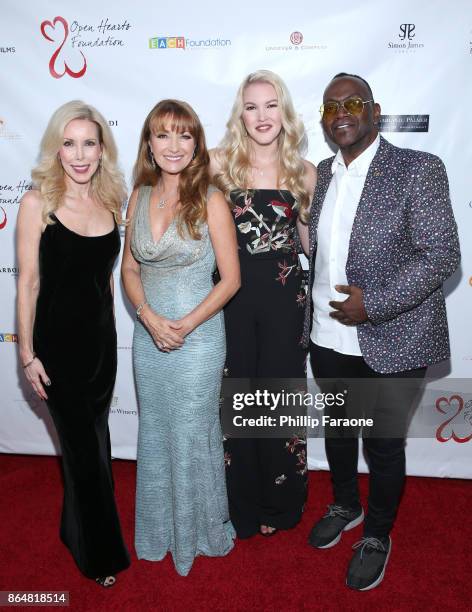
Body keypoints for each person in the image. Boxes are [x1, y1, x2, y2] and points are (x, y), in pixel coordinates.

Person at [300, 73, 460, 590]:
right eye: (330, 106)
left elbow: (442, 254)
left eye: (352, 103)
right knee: (342, 432)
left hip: (395, 336)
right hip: (327, 336)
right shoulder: (322, 173)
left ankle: (377, 534)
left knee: (384, 444)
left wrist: (377, 304)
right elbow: (321, 253)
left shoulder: (418, 169)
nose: (341, 113)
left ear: (374, 109)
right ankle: (346, 502)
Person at [121, 99, 240, 576]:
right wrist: (148, 317)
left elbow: (231, 279)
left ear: (197, 144)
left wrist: (185, 325)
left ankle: (200, 536)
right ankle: (159, 534)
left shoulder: (211, 197)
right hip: (149, 335)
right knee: (155, 431)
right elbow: (130, 268)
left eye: (184, 135)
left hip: (199, 336)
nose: (173, 145)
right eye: (163, 135)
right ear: (149, 143)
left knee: (192, 433)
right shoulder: (139, 194)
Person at [17, 100, 131, 587]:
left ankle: (73, 531)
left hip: (100, 350)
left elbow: (103, 281)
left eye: (89, 142)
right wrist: (26, 355)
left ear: (102, 148)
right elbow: (27, 283)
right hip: (57, 352)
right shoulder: (36, 202)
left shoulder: (110, 202)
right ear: (56, 149)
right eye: (69, 143)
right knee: (86, 456)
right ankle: (102, 559)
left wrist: (112, 341)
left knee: (95, 447)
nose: (80, 154)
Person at [211, 70, 317, 538]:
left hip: (285, 303)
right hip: (231, 299)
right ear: (241, 114)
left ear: (284, 111)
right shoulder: (217, 165)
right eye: (251, 107)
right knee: (238, 402)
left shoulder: (304, 171)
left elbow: (312, 246)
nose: (262, 115)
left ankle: (282, 502)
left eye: (270, 105)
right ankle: (243, 506)